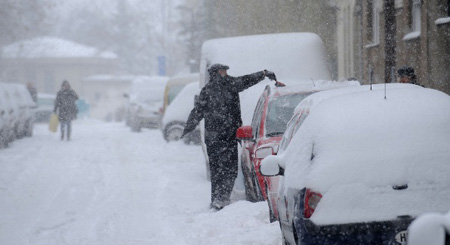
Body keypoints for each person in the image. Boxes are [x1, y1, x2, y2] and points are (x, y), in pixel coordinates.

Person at [180, 63, 277, 210]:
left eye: (225, 71)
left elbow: (197, 112)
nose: (226, 73)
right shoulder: (224, 86)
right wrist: (187, 128)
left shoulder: (215, 88)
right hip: (223, 137)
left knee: (222, 169)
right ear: (215, 73)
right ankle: (220, 199)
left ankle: (219, 199)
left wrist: (262, 74)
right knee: (224, 169)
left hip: (220, 138)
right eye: (223, 71)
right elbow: (197, 111)